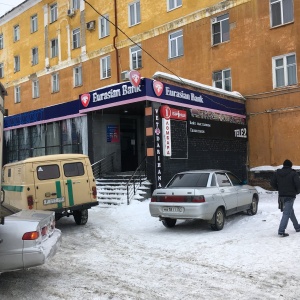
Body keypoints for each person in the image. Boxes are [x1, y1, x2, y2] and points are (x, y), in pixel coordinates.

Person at [270, 159, 300, 237]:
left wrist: (277, 188)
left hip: (281, 196)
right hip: (290, 196)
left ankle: (297, 227)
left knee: (290, 211)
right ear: (290, 166)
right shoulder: (293, 173)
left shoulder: (277, 173)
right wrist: (297, 191)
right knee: (287, 213)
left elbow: (272, 183)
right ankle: (281, 230)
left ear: (283, 165)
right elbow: (298, 184)